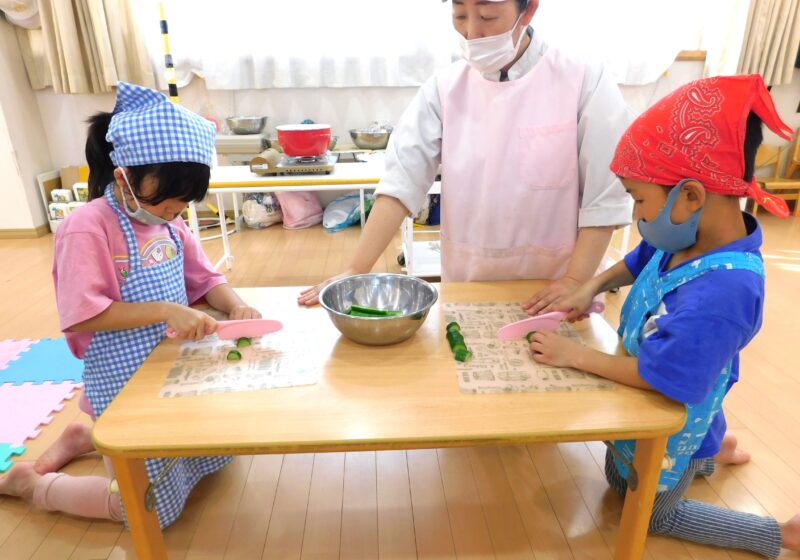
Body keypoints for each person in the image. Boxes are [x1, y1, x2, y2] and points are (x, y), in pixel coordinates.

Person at [529, 74, 800, 558]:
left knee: (647, 506)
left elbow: (666, 380)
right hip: (680, 400)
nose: (637, 216)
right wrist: (590, 285)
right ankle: (715, 450)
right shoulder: (684, 234)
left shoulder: (722, 291)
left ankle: (779, 534)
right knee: (633, 459)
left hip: (670, 399)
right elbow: (640, 259)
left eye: (638, 199)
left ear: (692, 196)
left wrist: (575, 356)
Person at [0, 82, 261, 529]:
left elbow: (205, 278)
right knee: (143, 510)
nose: (176, 212)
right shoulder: (87, 228)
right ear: (124, 177)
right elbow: (84, 313)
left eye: (185, 203)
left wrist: (234, 304)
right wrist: (165, 310)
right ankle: (32, 486)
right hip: (121, 377)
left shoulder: (169, 224)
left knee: (214, 449)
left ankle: (89, 436)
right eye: (168, 200)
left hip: (169, 366)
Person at [299, 0, 632, 314]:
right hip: (469, 277)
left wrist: (575, 281)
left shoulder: (582, 79)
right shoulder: (445, 88)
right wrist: (357, 269)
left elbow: (605, 196)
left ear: (528, 9)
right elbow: (402, 181)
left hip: (556, 283)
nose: (472, 32)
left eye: (487, 16)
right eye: (460, 15)